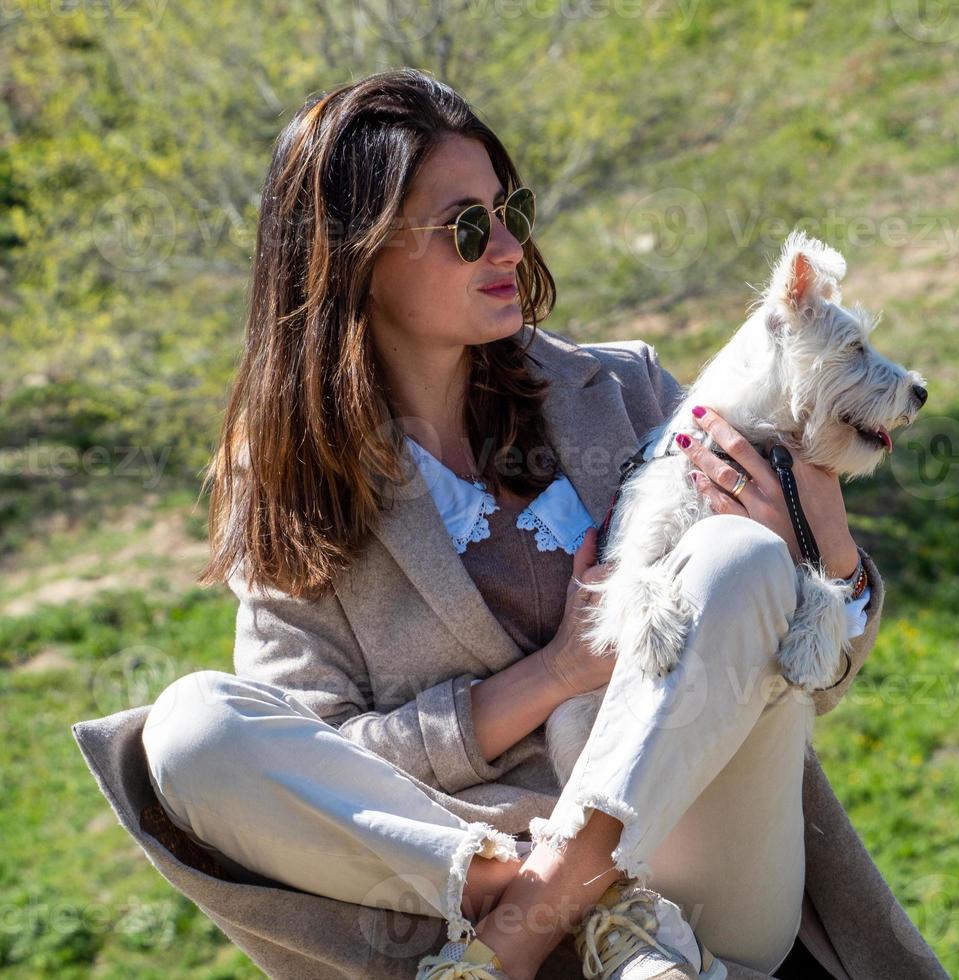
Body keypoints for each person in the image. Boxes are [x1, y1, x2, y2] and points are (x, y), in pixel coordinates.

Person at [141, 68, 878, 980]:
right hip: (467, 872)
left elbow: (810, 678)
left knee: (733, 553)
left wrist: (825, 560)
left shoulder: (628, 391)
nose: (505, 248)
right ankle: (549, 899)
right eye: (463, 226)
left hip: (703, 872)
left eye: (509, 211)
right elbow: (325, 754)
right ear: (356, 257)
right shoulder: (292, 487)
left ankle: (559, 905)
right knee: (187, 727)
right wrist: (556, 673)